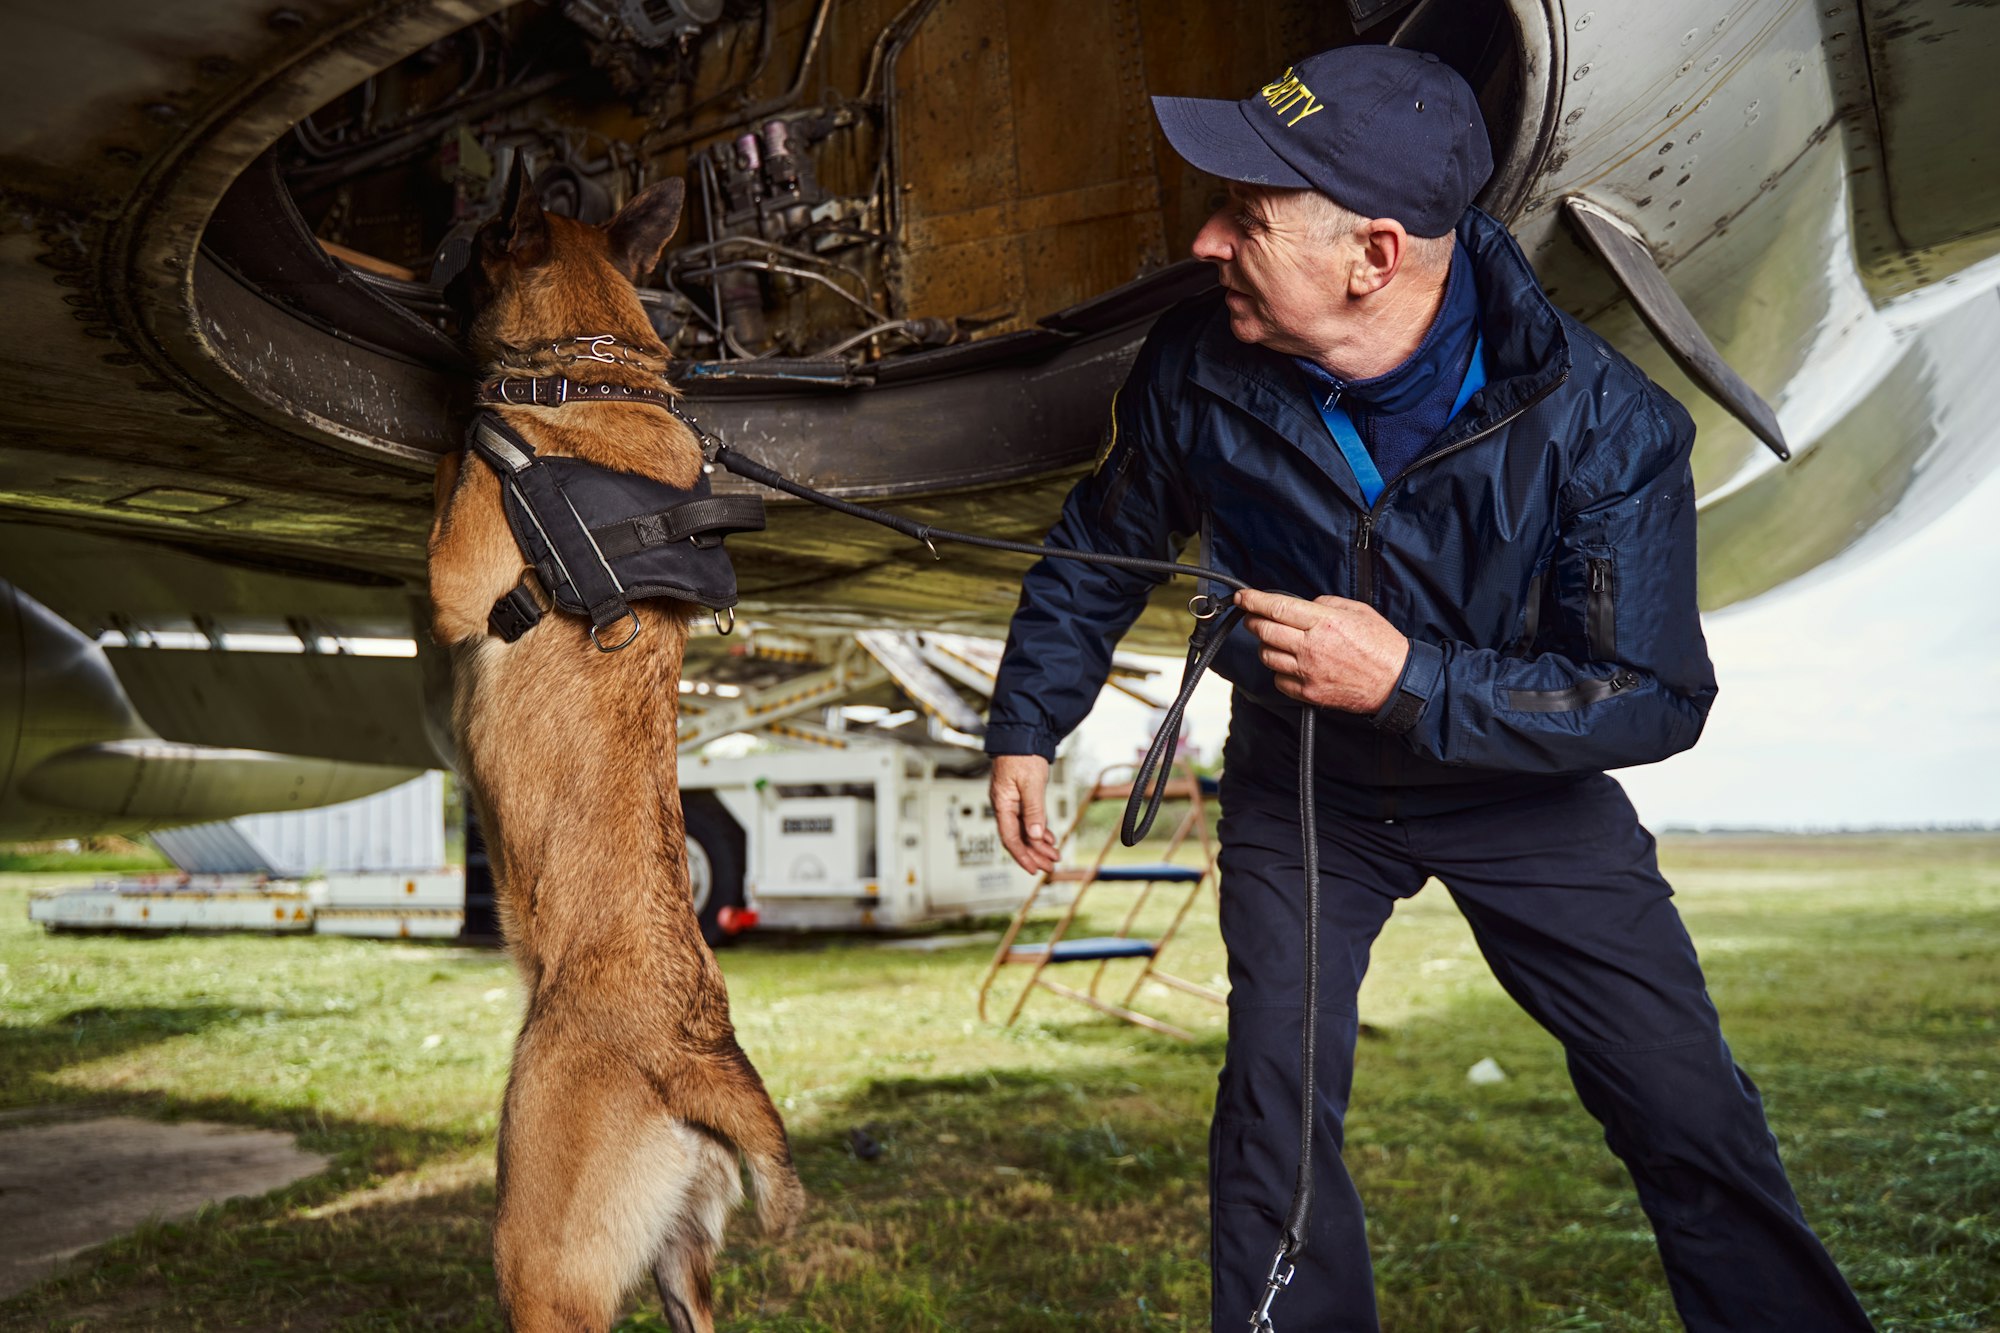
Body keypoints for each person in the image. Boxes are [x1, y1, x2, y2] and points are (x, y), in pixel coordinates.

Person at [982, 44, 1874, 1333]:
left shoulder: (1605, 426)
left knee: (1687, 1111)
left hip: (1524, 797)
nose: (1205, 237)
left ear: (1375, 256)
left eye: (1251, 214)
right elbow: (1097, 545)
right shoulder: (1197, 361)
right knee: (1274, 1121)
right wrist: (1026, 724)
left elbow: (1651, 695)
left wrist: (1406, 677)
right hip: (1307, 787)